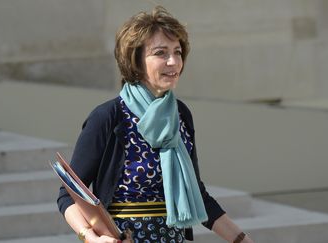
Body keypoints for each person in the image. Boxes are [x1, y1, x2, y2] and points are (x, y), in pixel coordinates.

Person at [57, 5, 255, 243]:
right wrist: (90, 237)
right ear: (136, 60)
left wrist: (241, 239)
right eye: (161, 53)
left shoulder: (180, 114)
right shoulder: (109, 116)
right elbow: (68, 195)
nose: (173, 62)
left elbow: (196, 194)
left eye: (178, 52)